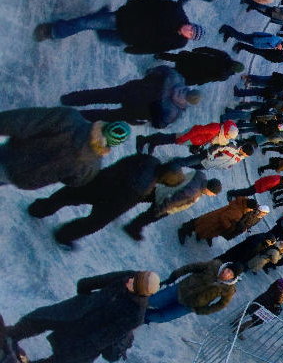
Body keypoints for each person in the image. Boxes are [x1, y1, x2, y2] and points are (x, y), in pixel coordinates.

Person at [5, 270, 160, 363]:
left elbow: (106, 337)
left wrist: (85, 347)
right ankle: (10, 336)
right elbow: (94, 282)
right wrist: (84, 295)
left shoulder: (135, 315)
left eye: (134, 282)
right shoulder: (130, 277)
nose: (129, 281)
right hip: (80, 311)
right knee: (40, 320)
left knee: (63, 351)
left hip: (88, 331)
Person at [27, 153, 183, 246]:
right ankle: (64, 235)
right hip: (112, 201)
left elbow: (122, 162)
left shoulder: (148, 160)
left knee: (68, 195)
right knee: (92, 223)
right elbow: (121, 205)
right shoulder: (147, 187)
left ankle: (39, 209)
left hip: (101, 180)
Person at [0, 107, 128, 190]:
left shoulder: (68, 118)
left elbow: (23, 121)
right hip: (23, 178)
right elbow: (73, 181)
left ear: (104, 125)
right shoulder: (91, 167)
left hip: (9, 156)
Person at [34, 0, 203, 54]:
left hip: (126, 37)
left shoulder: (178, 42)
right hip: (123, 18)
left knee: (103, 38)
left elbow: (155, 47)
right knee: (86, 23)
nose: (189, 31)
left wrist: (135, 49)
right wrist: (131, 6)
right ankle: (53, 31)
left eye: (191, 35)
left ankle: (101, 13)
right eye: (191, 28)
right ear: (191, 24)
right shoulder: (175, 11)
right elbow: (153, 0)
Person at [59, 66, 202, 128]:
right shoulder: (174, 112)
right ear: (188, 102)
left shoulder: (175, 78)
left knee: (100, 95)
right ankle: (74, 116)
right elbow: (159, 124)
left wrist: (146, 80)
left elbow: (158, 70)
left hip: (132, 90)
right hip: (134, 112)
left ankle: (68, 99)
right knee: (104, 115)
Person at [123, 170, 222, 240]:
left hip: (165, 189)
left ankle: (124, 200)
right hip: (165, 205)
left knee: (143, 196)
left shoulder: (200, 175)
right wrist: (161, 210)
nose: (211, 196)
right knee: (148, 217)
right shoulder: (193, 193)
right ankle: (132, 227)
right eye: (212, 194)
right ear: (209, 190)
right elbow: (174, 200)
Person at [145, 260, 238, 323]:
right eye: (228, 270)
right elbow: (191, 267)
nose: (226, 273)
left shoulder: (229, 289)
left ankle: (141, 317)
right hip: (180, 290)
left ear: (233, 278)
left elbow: (221, 305)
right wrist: (174, 277)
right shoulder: (213, 265)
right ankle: (134, 306)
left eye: (230, 274)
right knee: (152, 301)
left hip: (190, 306)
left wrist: (202, 310)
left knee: (162, 317)